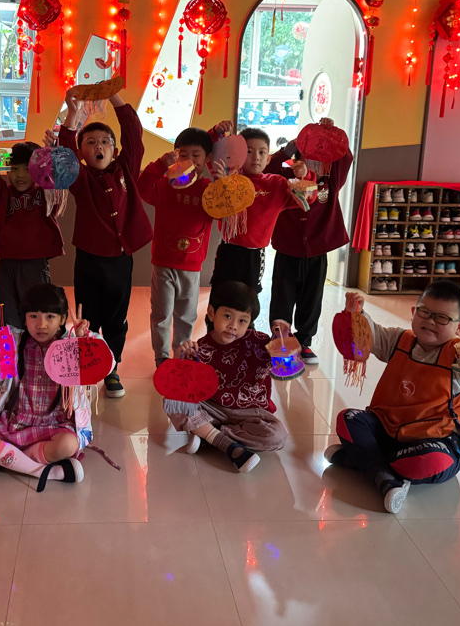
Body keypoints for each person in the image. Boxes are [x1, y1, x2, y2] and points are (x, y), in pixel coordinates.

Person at [326, 281, 460, 513]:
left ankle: (362, 460)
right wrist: (358, 314)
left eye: (442, 318)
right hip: (388, 430)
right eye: (424, 312)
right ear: (413, 312)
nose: (430, 321)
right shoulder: (399, 340)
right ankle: (384, 474)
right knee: (348, 419)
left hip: (433, 441)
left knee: (431, 461)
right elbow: (372, 336)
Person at [54, 88, 152, 398]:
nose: (99, 147)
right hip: (89, 259)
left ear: (114, 149)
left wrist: (114, 96)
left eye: (105, 142)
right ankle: (87, 364)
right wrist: (72, 114)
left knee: (116, 317)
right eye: (90, 142)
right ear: (82, 152)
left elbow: (133, 134)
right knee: (87, 316)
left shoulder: (126, 169)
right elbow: (64, 152)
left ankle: (112, 367)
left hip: (121, 259)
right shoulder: (79, 179)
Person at [0, 284, 106, 491]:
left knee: (68, 445)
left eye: (50, 317)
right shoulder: (16, 342)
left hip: (56, 423)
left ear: (62, 319)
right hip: (16, 421)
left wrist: (82, 340)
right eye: (33, 316)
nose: (41, 325)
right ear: (24, 318)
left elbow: (103, 363)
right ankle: (44, 471)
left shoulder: (70, 344)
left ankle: (4, 458)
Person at [168, 281, 290, 473]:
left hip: (250, 413)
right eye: (227, 316)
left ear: (249, 322)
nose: (233, 326)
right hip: (212, 408)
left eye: (242, 321)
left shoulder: (260, 342)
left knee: (278, 436)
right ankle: (224, 442)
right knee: (173, 399)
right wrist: (178, 358)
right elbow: (180, 384)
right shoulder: (201, 348)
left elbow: (286, 368)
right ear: (211, 313)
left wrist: (283, 338)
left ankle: (208, 435)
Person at [206, 127, 307, 329]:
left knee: (247, 301)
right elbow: (211, 154)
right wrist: (216, 132)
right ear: (240, 155)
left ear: (268, 158)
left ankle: (245, 341)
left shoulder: (277, 184)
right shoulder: (228, 177)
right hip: (228, 250)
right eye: (249, 151)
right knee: (219, 298)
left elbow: (308, 198)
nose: (256, 157)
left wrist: (304, 176)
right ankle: (212, 340)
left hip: (254, 256)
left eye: (262, 152)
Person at [265, 138, 353, 364]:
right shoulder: (284, 179)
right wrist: (286, 151)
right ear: (297, 160)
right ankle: (280, 340)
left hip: (317, 252)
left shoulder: (329, 181)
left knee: (312, 299)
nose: (312, 164)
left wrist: (331, 135)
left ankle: (304, 341)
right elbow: (267, 169)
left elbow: (345, 158)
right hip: (287, 249)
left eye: (318, 159)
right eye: (307, 158)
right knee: (282, 297)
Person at [137, 124, 219, 366]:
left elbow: (226, 209)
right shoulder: (165, 184)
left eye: (196, 155)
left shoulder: (209, 190)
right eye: (183, 155)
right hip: (163, 262)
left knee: (187, 315)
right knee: (161, 314)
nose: (190, 161)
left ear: (208, 158)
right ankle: (162, 357)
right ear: (175, 156)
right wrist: (160, 165)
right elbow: (142, 187)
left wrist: (222, 178)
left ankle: (181, 353)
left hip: (192, 266)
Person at [0, 137, 64, 329]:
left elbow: (58, 175)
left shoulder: (46, 193)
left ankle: (36, 347)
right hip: (6, 263)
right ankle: (11, 348)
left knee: (37, 312)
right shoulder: (3, 194)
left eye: (27, 169)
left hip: (34, 264)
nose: (20, 175)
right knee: (7, 316)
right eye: (14, 169)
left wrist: (53, 152)